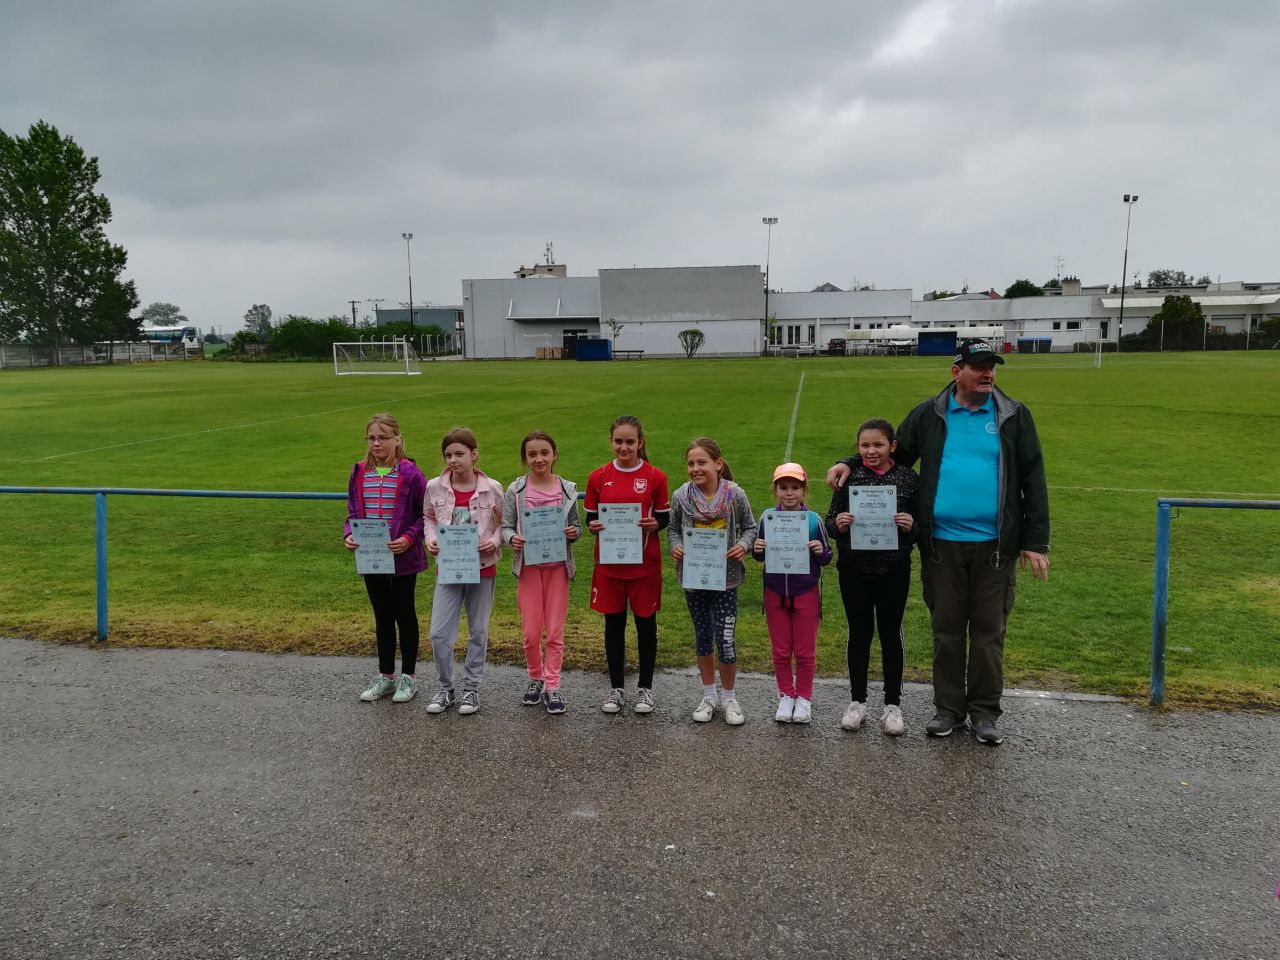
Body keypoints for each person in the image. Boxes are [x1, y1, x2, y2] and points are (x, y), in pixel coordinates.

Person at [827, 338, 1049, 745]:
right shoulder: (930, 414)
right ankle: (948, 709)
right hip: (942, 544)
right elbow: (891, 452)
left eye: (992, 366)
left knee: (988, 633)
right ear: (956, 372)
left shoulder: (1013, 415)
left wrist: (1035, 541)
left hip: (995, 545)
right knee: (947, 631)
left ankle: (984, 712)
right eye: (978, 366)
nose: (987, 373)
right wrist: (850, 460)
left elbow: (1033, 477)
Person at [824, 419, 919, 736]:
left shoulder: (907, 478)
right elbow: (830, 523)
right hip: (854, 569)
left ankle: (892, 705)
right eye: (864, 445)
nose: (871, 451)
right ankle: (857, 702)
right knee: (859, 633)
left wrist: (911, 526)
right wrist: (839, 524)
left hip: (893, 569)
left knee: (891, 634)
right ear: (857, 447)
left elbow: (922, 525)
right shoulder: (849, 477)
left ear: (893, 446)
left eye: (878, 444)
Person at [584, 415, 671, 715]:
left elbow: (663, 517)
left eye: (630, 442)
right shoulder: (598, 477)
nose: (624, 447)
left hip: (644, 566)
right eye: (618, 441)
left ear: (640, 442)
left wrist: (654, 524)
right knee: (613, 626)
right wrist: (593, 525)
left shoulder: (655, 476)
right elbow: (591, 516)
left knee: (646, 626)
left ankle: (645, 689)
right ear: (611, 441)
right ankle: (616, 689)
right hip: (610, 567)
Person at [668, 438, 757, 726]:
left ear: (718, 464)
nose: (695, 468)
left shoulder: (734, 495)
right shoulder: (682, 495)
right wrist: (676, 546)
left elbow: (751, 528)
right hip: (694, 579)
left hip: (726, 581)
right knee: (703, 636)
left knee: (726, 638)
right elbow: (673, 529)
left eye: (702, 462)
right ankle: (709, 695)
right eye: (691, 463)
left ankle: (729, 697)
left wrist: (743, 545)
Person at [343, 413, 428, 703]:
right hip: (371, 557)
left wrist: (409, 538)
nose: (376, 443)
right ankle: (386, 676)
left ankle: (409, 677)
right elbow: (352, 512)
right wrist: (349, 534)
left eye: (383, 438)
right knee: (382, 616)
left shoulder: (411, 474)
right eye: (371, 438)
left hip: (403, 557)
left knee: (404, 614)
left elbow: (424, 515)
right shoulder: (359, 471)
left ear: (397, 440)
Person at [423, 427, 504, 716]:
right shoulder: (434, 487)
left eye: (459, 454)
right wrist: (431, 539)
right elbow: (428, 517)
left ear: (474, 454)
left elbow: (506, 523)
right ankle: (446, 688)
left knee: (478, 631)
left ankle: (471, 688)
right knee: (438, 634)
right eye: (448, 455)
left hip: (483, 568)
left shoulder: (492, 488)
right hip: (448, 569)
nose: (453, 460)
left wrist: (493, 541)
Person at [500, 430, 583, 715]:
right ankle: (535, 678)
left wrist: (573, 533)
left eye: (544, 453)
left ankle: (552, 685)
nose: (539, 459)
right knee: (531, 633)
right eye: (532, 454)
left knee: (555, 632)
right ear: (525, 458)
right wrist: (512, 539)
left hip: (558, 568)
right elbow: (505, 527)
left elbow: (577, 527)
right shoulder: (516, 490)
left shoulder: (567, 489)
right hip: (529, 569)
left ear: (554, 455)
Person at [752, 463, 831, 724]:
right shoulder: (767, 518)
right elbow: (759, 556)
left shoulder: (813, 520)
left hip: (805, 591)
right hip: (775, 592)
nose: (789, 493)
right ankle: (786, 695)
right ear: (775, 490)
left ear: (803, 490)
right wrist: (758, 548)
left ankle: (804, 697)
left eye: (795, 487)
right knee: (781, 651)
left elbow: (827, 558)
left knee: (805, 652)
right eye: (783, 487)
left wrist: (819, 550)